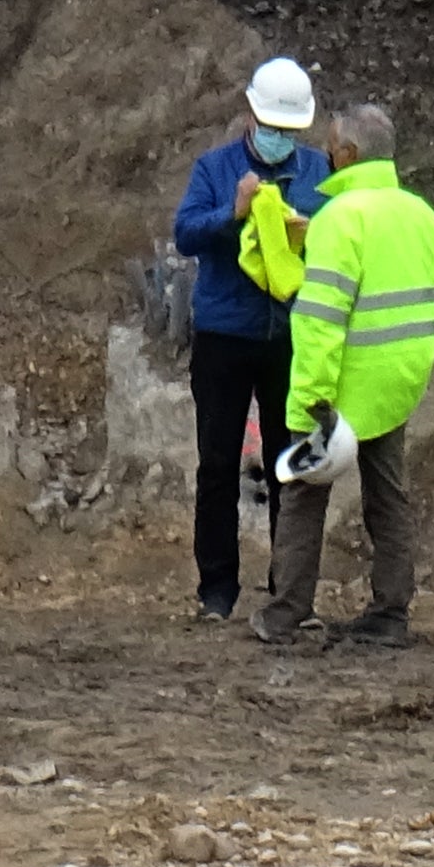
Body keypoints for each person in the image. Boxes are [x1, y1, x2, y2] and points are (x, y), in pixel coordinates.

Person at [263, 97, 434, 653]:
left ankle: (286, 612)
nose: (323, 152)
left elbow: (320, 322)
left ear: (346, 153)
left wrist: (314, 400)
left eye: (329, 145)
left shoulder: (338, 221)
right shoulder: (422, 215)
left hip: (343, 386)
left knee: (302, 491)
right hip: (397, 384)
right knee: (388, 496)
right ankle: (391, 612)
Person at [168, 57, 326, 624]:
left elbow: (335, 238)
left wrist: (311, 232)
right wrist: (232, 215)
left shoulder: (317, 173)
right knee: (216, 464)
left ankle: (289, 591)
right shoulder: (214, 169)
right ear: (251, 115)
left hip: (290, 338)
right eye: (273, 127)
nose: (281, 139)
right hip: (223, 336)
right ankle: (216, 590)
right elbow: (185, 233)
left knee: (291, 464)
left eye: (290, 131)